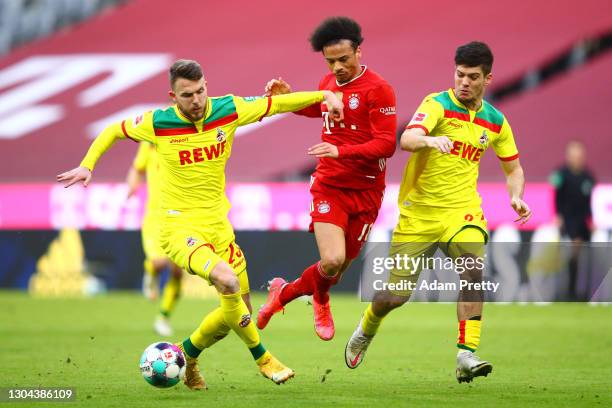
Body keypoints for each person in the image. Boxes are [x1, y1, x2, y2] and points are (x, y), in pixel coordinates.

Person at [57, 59, 344, 389]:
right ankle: (264, 359)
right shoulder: (157, 122)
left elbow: (277, 103)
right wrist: (87, 165)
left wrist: (323, 96)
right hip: (179, 229)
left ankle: (186, 355)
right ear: (173, 95)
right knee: (228, 281)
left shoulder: (228, 109)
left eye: (201, 91)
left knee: (236, 314)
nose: (197, 100)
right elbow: (111, 131)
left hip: (219, 226)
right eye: (188, 94)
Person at [344, 42, 532, 383]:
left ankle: (466, 354)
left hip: (463, 212)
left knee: (473, 272)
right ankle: (368, 325)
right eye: (459, 74)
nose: (464, 82)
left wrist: (516, 196)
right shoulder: (437, 104)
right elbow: (408, 138)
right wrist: (429, 140)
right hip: (419, 215)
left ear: (488, 78)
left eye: (473, 77)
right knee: (394, 297)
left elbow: (514, 168)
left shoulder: (495, 121)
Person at [256, 16, 397, 341]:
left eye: (343, 59)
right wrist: (289, 100)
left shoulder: (379, 90)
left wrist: (342, 151)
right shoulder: (327, 83)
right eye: (330, 61)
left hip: (367, 192)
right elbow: (316, 109)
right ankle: (319, 299)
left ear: (359, 51)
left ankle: (284, 294)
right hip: (330, 186)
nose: (337, 67)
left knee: (336, 269)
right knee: (331, 261)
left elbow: (387, 144)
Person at [126, 141, 183, 336]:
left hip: (180, 217)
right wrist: (132, 184)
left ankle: (163, 318)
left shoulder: (190, 138)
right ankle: (150, 271)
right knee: (159, 262)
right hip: (155, 218)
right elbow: (136, 168)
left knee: (177, 271)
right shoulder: (150, 140)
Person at [550, 140, 595, 300]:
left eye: (579, 155)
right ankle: (566, 292)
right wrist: (558, 216)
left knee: (585, 257)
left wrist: (591, 220)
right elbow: (556, 198)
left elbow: (590, 202)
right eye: (573, 155)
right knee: (567, 254)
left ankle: (583, 292)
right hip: (567, 221)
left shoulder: (588, 177)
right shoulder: (561, 175)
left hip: (582, 221)